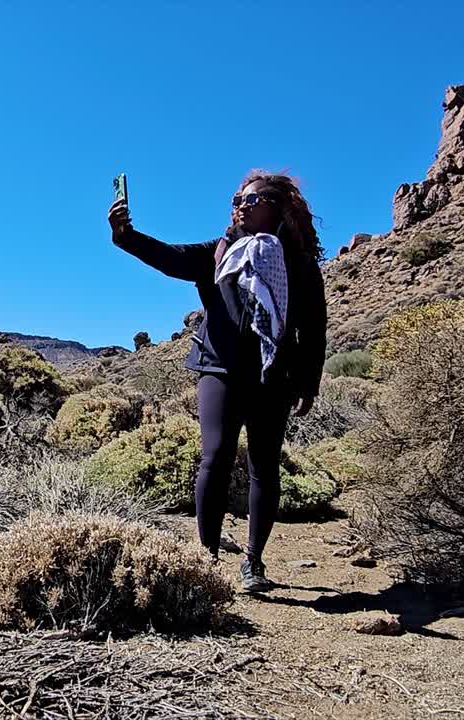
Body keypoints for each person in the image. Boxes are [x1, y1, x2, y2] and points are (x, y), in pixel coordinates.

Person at [108, 170, 327, 593]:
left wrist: (308, 381)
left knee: (264, 465)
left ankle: (253, 563)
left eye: (253, 199)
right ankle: (205, 558)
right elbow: (171, 258)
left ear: (277, 209)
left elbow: (313, 328)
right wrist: (126, 236)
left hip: (272, 376)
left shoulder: (298, 265)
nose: (241, 205)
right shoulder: (219, 253)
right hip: (219, 369)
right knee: (216, 456)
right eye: (237, 199)